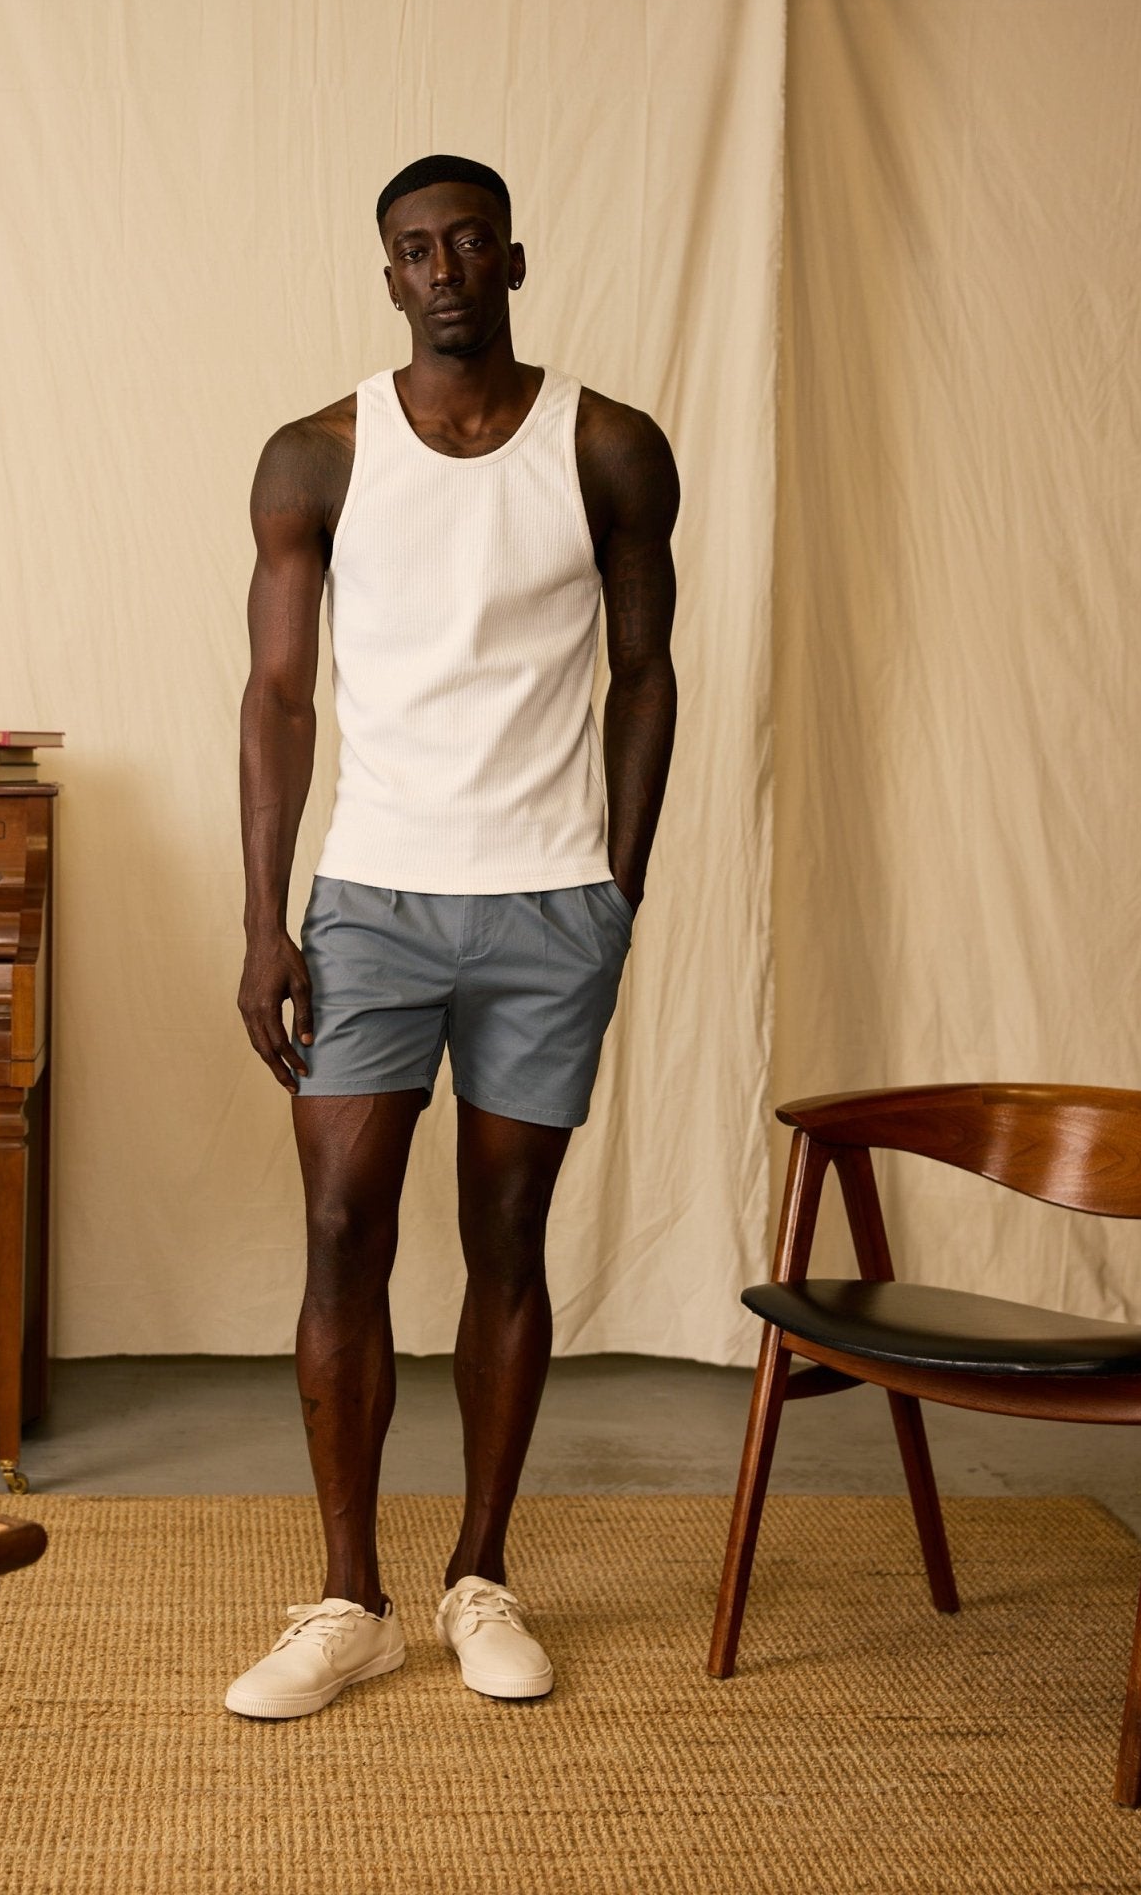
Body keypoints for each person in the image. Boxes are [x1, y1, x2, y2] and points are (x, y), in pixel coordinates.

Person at [229, 155, 678, 1719]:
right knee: (345, 1227)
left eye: (466, 242)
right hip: (372, 899)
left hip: (548, 905)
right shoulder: (317, 457)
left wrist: (616, 883)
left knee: (506, 1237)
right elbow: (278, 697)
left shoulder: (607, 446)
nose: (442, 269)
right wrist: (263, 919)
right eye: (413, 250)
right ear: (388, 276)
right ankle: (345, 1597)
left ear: (511, 258)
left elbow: (643, 669)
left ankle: (478, 1573)